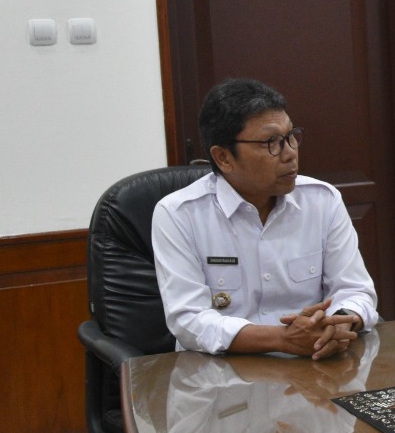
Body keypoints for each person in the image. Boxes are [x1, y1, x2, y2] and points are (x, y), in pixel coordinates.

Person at [154, 78, 378, 358]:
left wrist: (339, 321)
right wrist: (283, 339)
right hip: (220, 379)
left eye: (291, 136)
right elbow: (189, 321)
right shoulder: (179, 214)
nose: (290, 153)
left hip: (313, 364)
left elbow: (355, 290)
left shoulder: (322, 201)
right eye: (271, 142)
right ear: (223, 157)